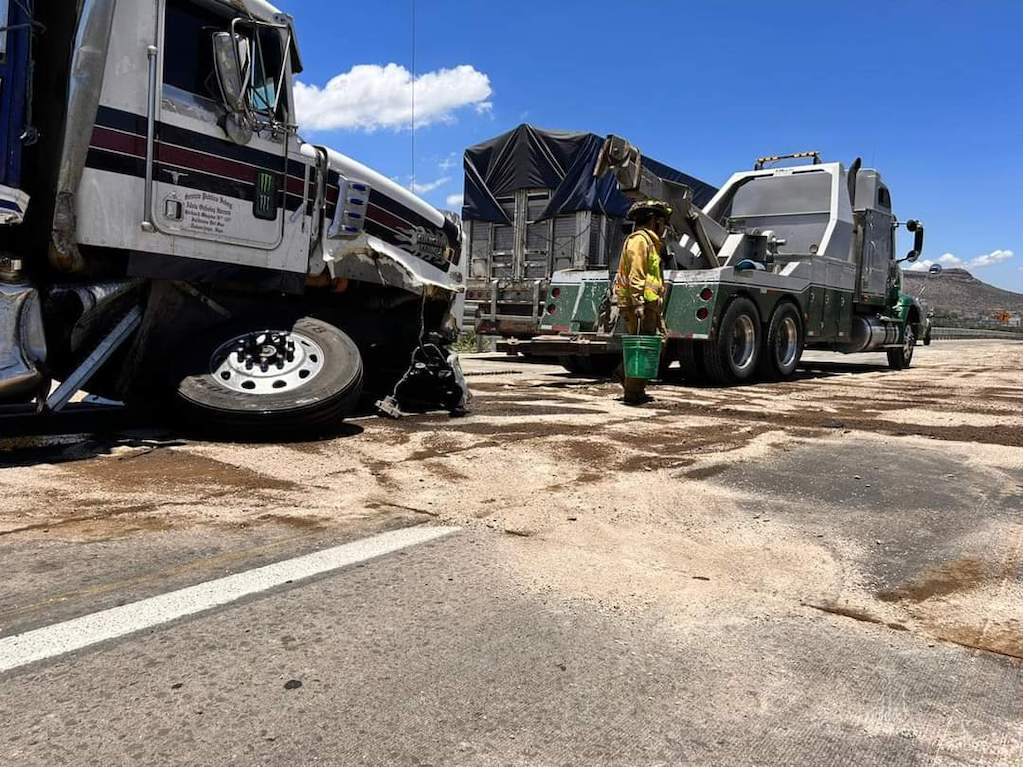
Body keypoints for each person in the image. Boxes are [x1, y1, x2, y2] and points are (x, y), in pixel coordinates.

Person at [614, 199, 671, 405]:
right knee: (643, 347)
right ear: (654, 221)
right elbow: (636, 274)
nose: (664, 227)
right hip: (641, 304)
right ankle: (634, 394)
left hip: (650, 303)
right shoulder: (640, 240)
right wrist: (638, 303)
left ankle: (624, 374)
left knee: (652, 344)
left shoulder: (651, 242)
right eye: (662, 222)